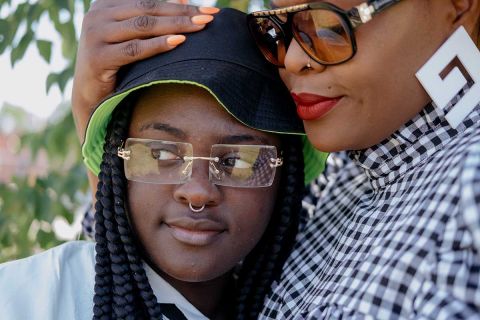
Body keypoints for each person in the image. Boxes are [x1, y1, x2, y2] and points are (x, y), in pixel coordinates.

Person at [72, 0, 480, 318]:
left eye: (326, 26)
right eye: (279, 30)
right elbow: (132, 253)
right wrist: (92, 107)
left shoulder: (469, 189)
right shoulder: (341, 181)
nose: (292, 60)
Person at [0, 9, 326, 319]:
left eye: (236, 161)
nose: (197, 192)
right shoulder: (26, 299)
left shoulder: (308, 301)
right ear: (117, 167)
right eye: (161, 155)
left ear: (284, 181)